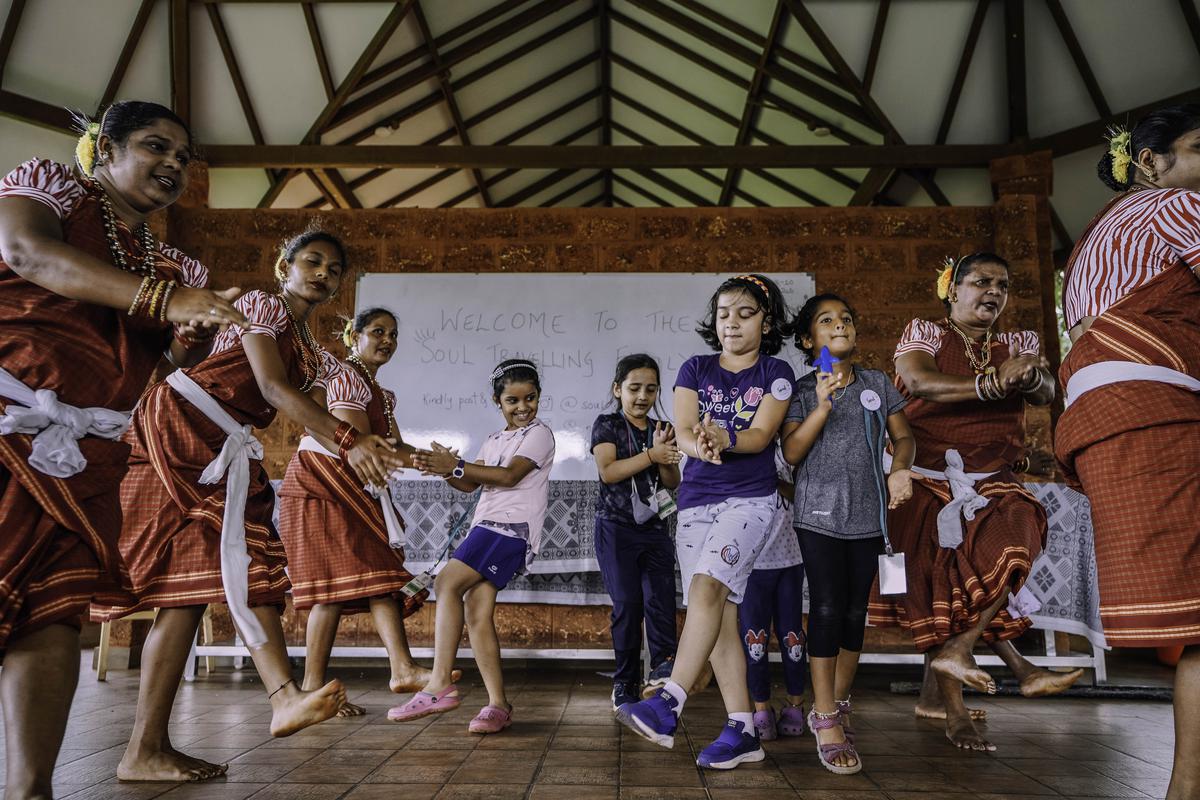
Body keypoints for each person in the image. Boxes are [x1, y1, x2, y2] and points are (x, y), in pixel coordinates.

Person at [0, 100, 247, 796]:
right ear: (104, 148)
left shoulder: (169, 262)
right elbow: (26, 253)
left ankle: (30, 789)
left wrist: (182, 341)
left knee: (53, 613)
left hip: (92, 453)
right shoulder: (48, 185)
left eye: (182, 156)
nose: (172, 163)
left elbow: (158, 366)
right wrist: (164, 303)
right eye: (155, 146)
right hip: (12, 422)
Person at [95, 229, 403, 782]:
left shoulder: (316, 354)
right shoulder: (263, 305)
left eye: (334, 270)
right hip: (183, 430)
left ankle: (162, 744)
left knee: (208, 581)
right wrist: (351, 444)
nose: (322, 274)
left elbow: (334, 403)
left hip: (224, 445)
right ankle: (272, 700)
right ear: (284, 265)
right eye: (311, 261)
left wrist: (386, 446)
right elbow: (269, 387)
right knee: (211, 572)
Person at [867, 252, 1078, 754]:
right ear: (953, 289)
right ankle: (952, 705)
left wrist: (1030, 375)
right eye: (981, 282)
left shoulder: (1019, 343)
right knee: (944, 576)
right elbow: (917, 381)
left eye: (1002, 286)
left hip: (992, 480)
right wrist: (992, 382)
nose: (993, 292)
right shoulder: (925, 332)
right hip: (918, 476)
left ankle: (961, 652)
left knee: (1017, 535)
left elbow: (1046, 393)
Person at [1056, 105, 1200, 800]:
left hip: (1101, 414)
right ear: (1152, 162)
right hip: (1158, 402)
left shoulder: (1089, 243)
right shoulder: (1178, 205)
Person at [616, 274, 794, 771]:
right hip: (696, 501)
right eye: (723, 313)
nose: (732, 323)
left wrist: (725, 437)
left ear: (766, 320)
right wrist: (702, 443)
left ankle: (669, 701)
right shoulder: (695, 367)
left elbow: (760, 437)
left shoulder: (776, 372)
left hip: (751, 502)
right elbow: (686, 432)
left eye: (745, 313)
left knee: (707, 587)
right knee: (720, 617)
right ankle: (742, 728)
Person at [277, 307, 453, 716]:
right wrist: (431, 463)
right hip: (319, 488)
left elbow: (394, 449)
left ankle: (401, 668)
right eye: (377, 331)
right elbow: (362, 441)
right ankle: (313, 690)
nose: (387, 340)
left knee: (378, 576)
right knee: (329, 590)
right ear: (354, 336)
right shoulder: (346, 376)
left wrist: (440, 463)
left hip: (349, 492)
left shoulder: (381, 394)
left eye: (393, 334)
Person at [782, 293, 915, 775]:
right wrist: (820, 404)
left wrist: (900, 470)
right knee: (826, 607)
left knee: (856, 609)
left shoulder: (877, 382)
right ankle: (823, 716)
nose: (839, 324)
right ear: (807, 339)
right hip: (817, 515)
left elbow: (904, 437)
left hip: (868, 517)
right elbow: (792, 453)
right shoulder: (799, 389)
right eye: (826, 320)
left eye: (846, 319)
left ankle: (839, 702)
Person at [390, 359, 556, 735]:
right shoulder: (494, 440)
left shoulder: (540, 434)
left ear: (538, 398)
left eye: (530, 398)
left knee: (447, 583)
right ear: (497, 401)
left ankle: (438, 686)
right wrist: (445, 469)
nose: (522, 407)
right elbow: (470, 483)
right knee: (477, 613)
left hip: (510, 530)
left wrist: (458, 464)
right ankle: (498, 704)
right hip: (488, 528)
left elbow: (509, 476)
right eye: (512, 400)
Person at [591, 354, 682, 710]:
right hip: (616, 528)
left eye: (650, 388)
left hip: (655, 528)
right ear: (618, 389)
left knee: (660, 602)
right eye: (634, 388)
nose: (642, 396)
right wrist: (653, 455)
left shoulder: (663, 428)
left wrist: (666, 457)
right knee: (628, 605)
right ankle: (624, 682)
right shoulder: (607, 424)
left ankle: (661, 673)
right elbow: (608, 471)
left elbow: (672, 482)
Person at [736, 445, 807, 741]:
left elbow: (803, 496)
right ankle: (761, 710)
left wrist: (775, 480)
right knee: (755, 640)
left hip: (791, 560)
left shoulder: (793, 448)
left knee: (794, 641)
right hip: (753, 564)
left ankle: (795, 706)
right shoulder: (742, 446)